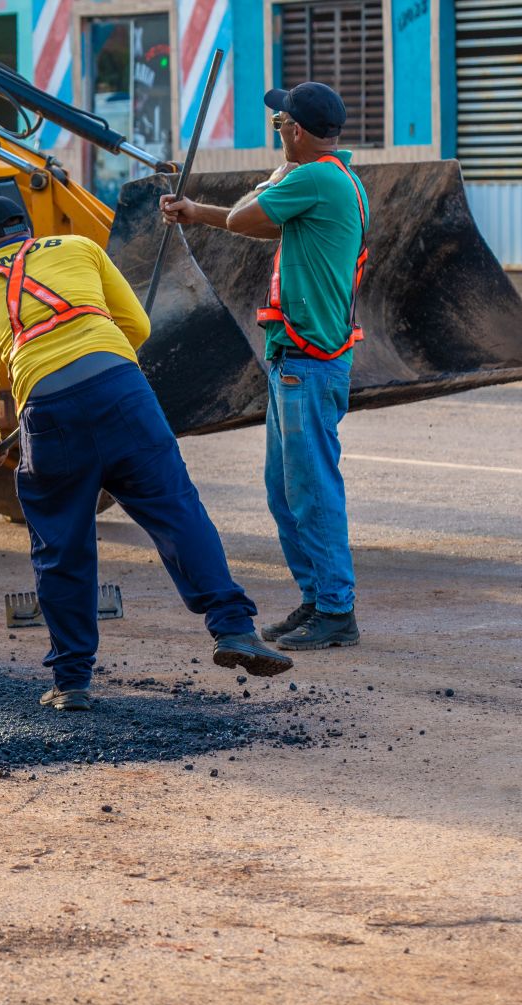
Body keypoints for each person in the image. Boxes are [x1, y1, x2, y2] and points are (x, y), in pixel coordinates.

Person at [0, 195, 293, 712]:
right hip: (123, 389)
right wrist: (103, 370)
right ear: (26, 228)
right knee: (177, 511)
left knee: (61, 544)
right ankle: (234, 629)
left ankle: (71, 683)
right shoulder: (79, 247)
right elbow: (137, 327)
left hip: (47, 411)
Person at [159, 81, 368, 652]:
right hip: (295, 360)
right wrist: (195, 211)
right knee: (285, 490)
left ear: (296, 131)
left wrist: (229, 201)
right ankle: (316, 598)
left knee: (312, 490)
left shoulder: (313, 177)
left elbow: (246, 215)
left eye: (281, 125)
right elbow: (258, 223)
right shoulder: (325, 182)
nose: (276, 132)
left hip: (309, 363)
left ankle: (335, 611)